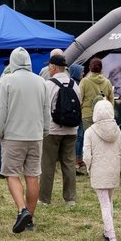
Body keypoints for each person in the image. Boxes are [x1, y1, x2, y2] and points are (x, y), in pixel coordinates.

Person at [0, 47, 51, 234]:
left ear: (12, 62)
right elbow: (46, 109)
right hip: (35, 135)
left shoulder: (6, 80)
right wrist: (45, 130)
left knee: (11, 174)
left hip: (13, 135)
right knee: (32, 176)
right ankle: (29, 220)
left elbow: (1, 110)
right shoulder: (41, 81)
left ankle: (22, 210)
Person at [83, 100, 121, 241]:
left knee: (104, 204)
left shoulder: (89, 132)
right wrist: (118, 167)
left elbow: (86, 156)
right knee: (109, 201)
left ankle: (112, 238)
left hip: (98, 171)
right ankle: (107, 231)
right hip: (113, 171)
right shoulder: (117, 130)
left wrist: (89, 168)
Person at [41, 55, 82, 206]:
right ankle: (70, 198)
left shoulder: (48, 84)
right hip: (71, 130)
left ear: (53, 67)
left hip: (52, 130)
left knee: (48, 164)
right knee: (69, 164)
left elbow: (44, 107)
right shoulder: (75, 84)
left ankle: (44, 199)